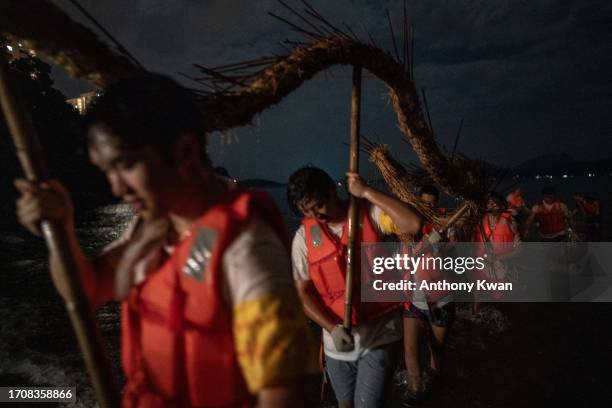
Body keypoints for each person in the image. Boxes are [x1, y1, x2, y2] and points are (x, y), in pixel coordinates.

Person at [14, 73, 318, 407]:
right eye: (107, 172)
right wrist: (62, 230)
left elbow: (286, 392)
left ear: (185, 151)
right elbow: (84, 287)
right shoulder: (151, 230)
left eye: (126, 165)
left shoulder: (246, 248)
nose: (117, 188)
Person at [287, 166, 421, 408]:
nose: (316, 215)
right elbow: (301, 293)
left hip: (380, 335)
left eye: (319, 205)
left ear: (331, 190)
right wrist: (331, 328)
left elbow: (412, 223)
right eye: (307, 212)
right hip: (337, 343)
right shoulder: (303, 238)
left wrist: (367, 191)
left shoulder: (369, 214)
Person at [400, 185, 456, 399]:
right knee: (410, 351)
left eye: (433, 203)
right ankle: (415, 390)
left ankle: (436, 384)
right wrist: (424, 242)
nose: (429, 207)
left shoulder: (446, 226)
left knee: (436, 351)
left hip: (440, 299)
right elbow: (405, 260)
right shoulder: (407, 226)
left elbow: (453, 257)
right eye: (424, 203)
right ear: (417, 202)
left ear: (437, 204)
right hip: (413, 299)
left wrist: (442, 245)